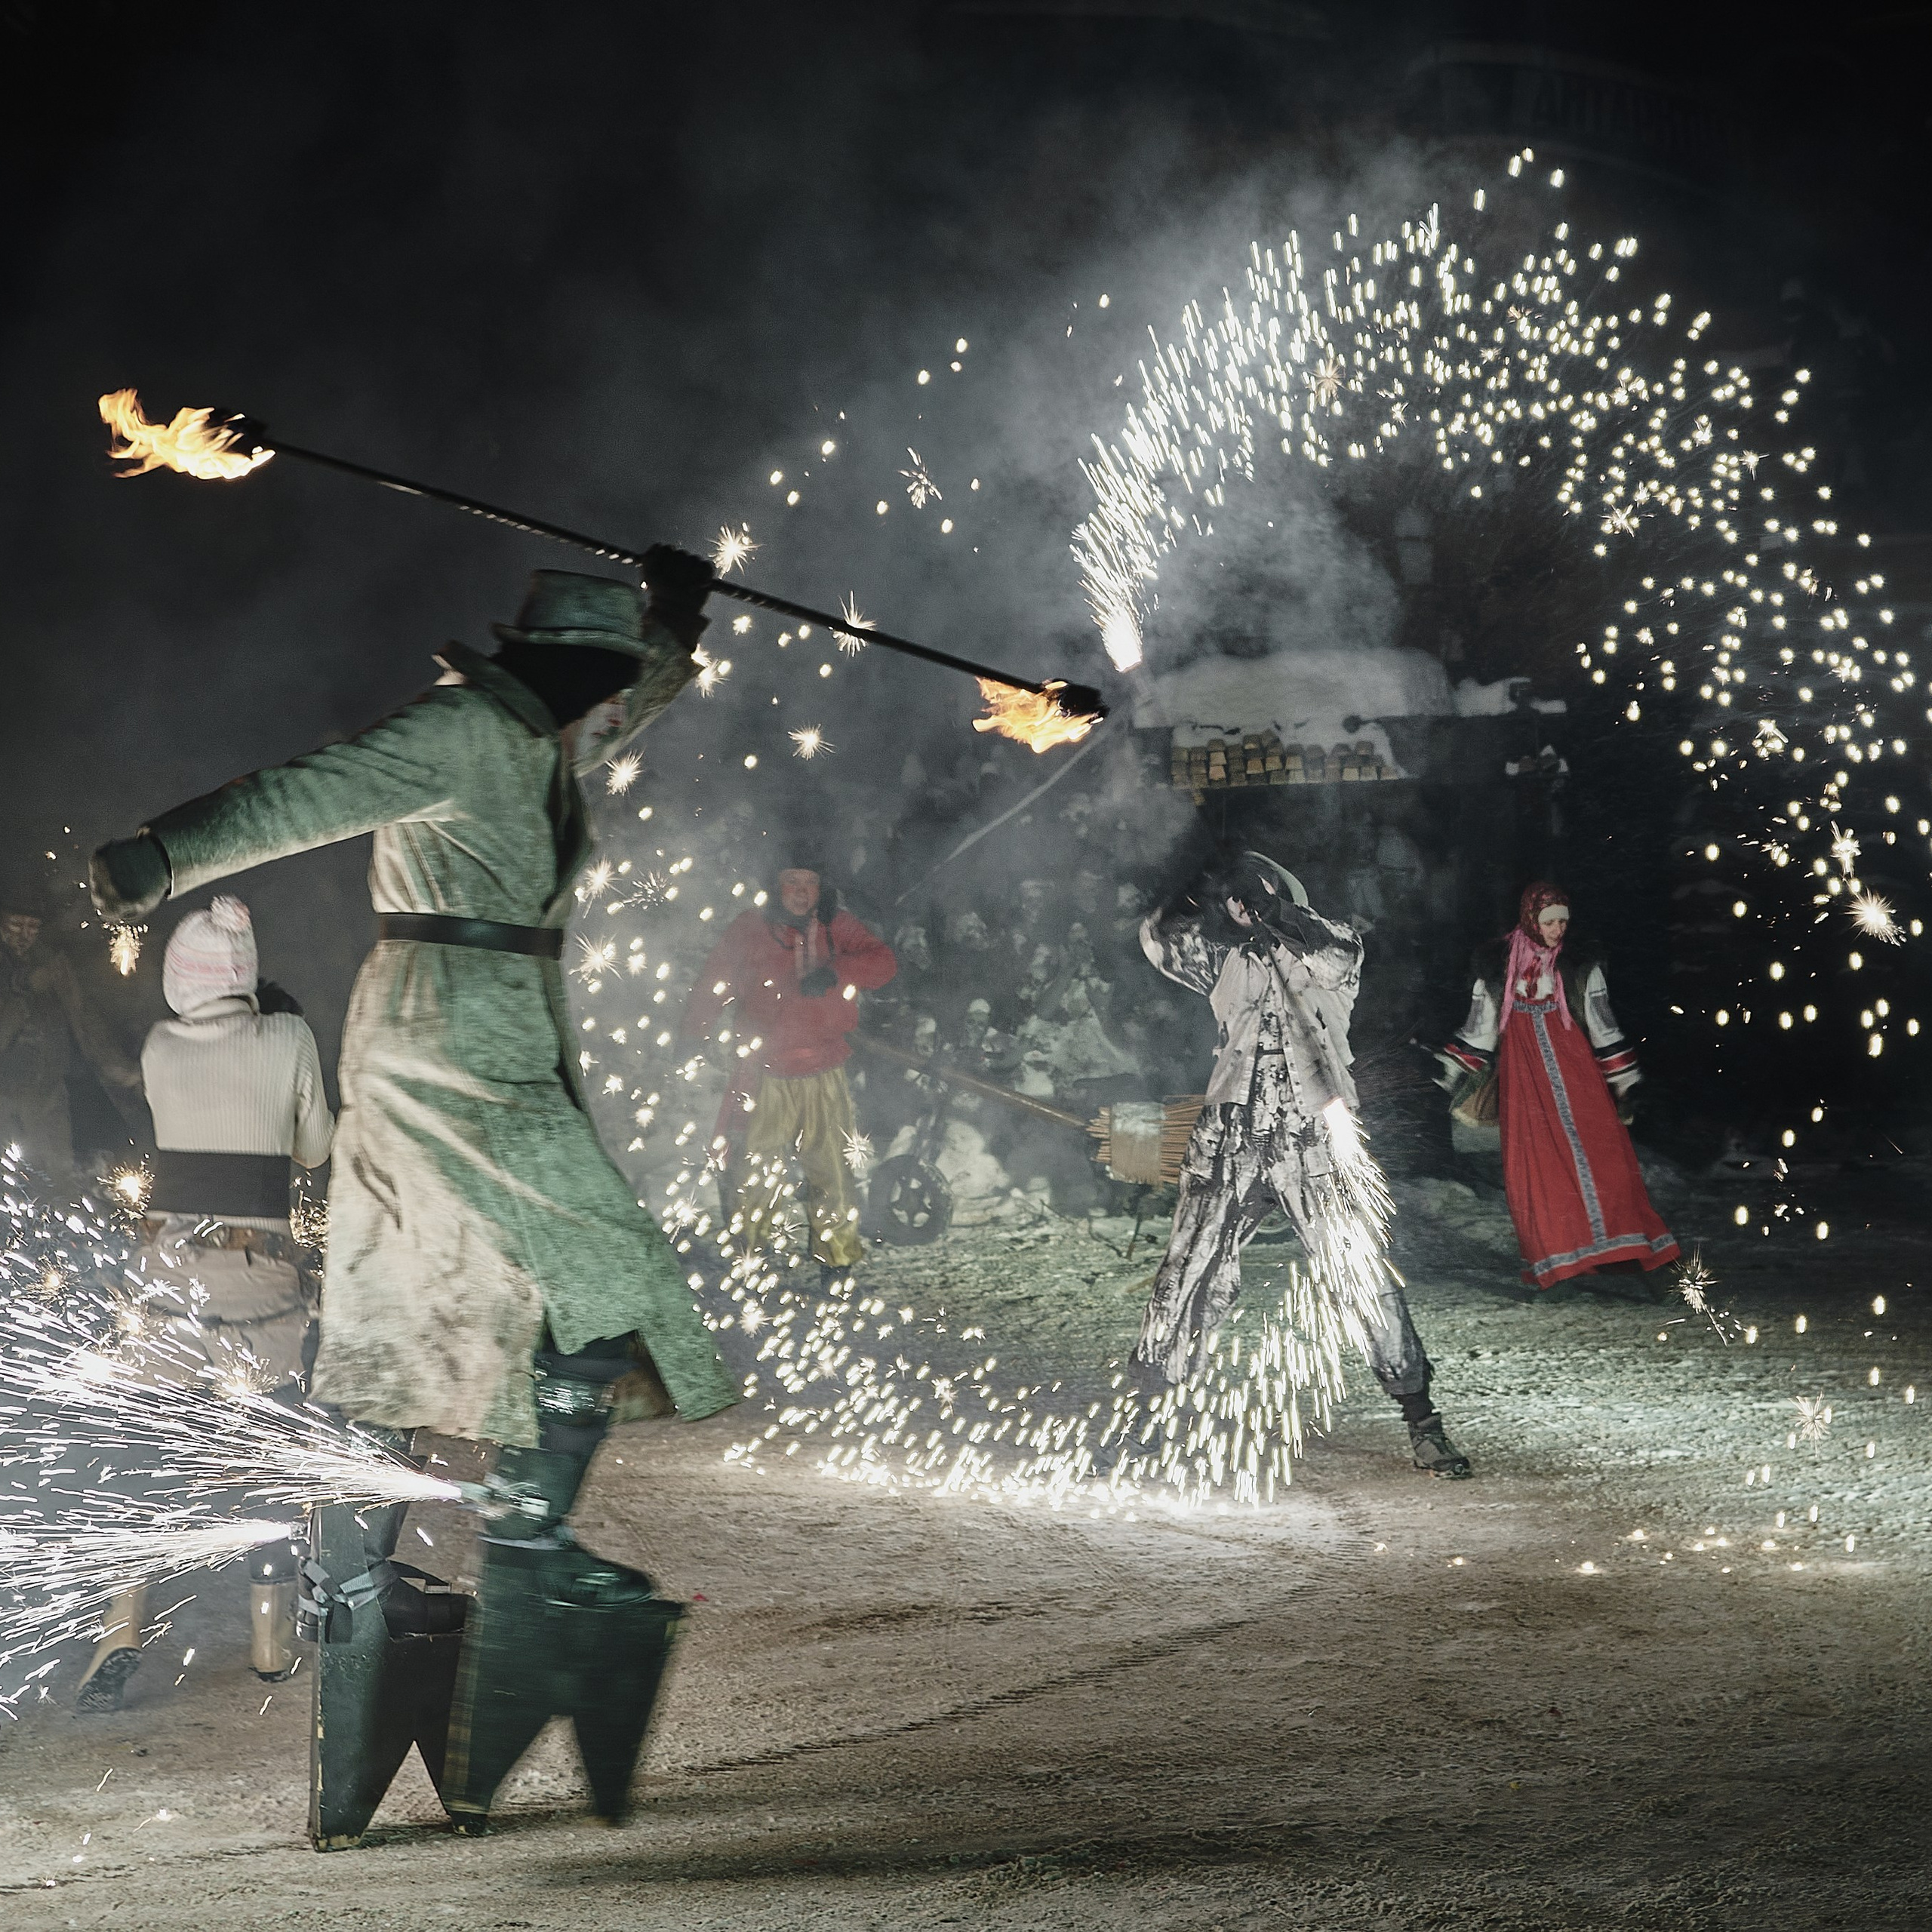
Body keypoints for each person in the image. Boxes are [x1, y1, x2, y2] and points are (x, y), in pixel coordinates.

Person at [90, 555, 734, 1846]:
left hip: (496, 1026)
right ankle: (519, 1534)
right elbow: (303, 796)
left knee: (461, 1309)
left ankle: (408, 1565)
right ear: (563, 675)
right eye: (604, 684)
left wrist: (678, 626)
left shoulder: (542, 739)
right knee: (601, 1270)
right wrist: (161, 857)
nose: (608, 713)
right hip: (442, 1038)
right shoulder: (454, 730)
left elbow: (624, 711)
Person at [74, 895, 335, 1714]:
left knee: (147, 1461)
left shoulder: (158, 1044)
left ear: (179, 982)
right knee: (267, 1454)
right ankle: (269, 1638)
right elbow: (316, 1146)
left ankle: (121, 1625)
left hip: (166, 1281)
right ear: (247, 975)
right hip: (255, 1284)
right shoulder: (286, 1036)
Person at [1134, 851, 1471, 1479]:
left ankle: (1422, 1421)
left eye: (1249, 897)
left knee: (1360, 1271)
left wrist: (1272, 908)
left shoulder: (1330, 946)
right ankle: (1148, 1417)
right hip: (1232, 1137)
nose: (1239, 909)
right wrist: (1191, 888)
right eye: (1234, 901)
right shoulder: (1225, 961)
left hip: (1311, 1139)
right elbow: (1158, 941)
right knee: (1187, 1274)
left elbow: (1332, 952)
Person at [1438, 881, 1679, 1295]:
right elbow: (1480, 1029)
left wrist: (1622, 1080)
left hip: (1577, 1075)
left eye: (1563, 922)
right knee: (1539, 1170)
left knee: (1603, 1159)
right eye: (1549, 921)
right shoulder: (1497, 967)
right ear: (1531, 918)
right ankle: (1561, 1260)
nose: (1556, 930)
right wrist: (1448, 1072)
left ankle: (1616, 1255)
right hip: (1525, 1083)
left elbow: (1603, 1025)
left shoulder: (1579, 965)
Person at [679, 863, 895, 1281]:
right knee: (755, 1171)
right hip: (765, 1073)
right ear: (775, 886)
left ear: (822, 887)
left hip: (823, 1070)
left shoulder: (839, 928)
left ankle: (838, 1262)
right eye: (791, 882)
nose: (800, 891)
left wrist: (836, 972)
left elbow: (883, 963)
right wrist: (692, 1034)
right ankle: (748, 1260)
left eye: (810, 882)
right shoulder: (749, 929)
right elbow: (714, 982)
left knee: (832, 1170)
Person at [0, 878, 143, 1193]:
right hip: (4, 1097)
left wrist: (118, 1068)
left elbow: (83, 1018)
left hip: (46, 1093)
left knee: (59, 1188)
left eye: (32, 927)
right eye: (15, 925)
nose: (25, 936)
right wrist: (26, 994)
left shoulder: (50, 962)